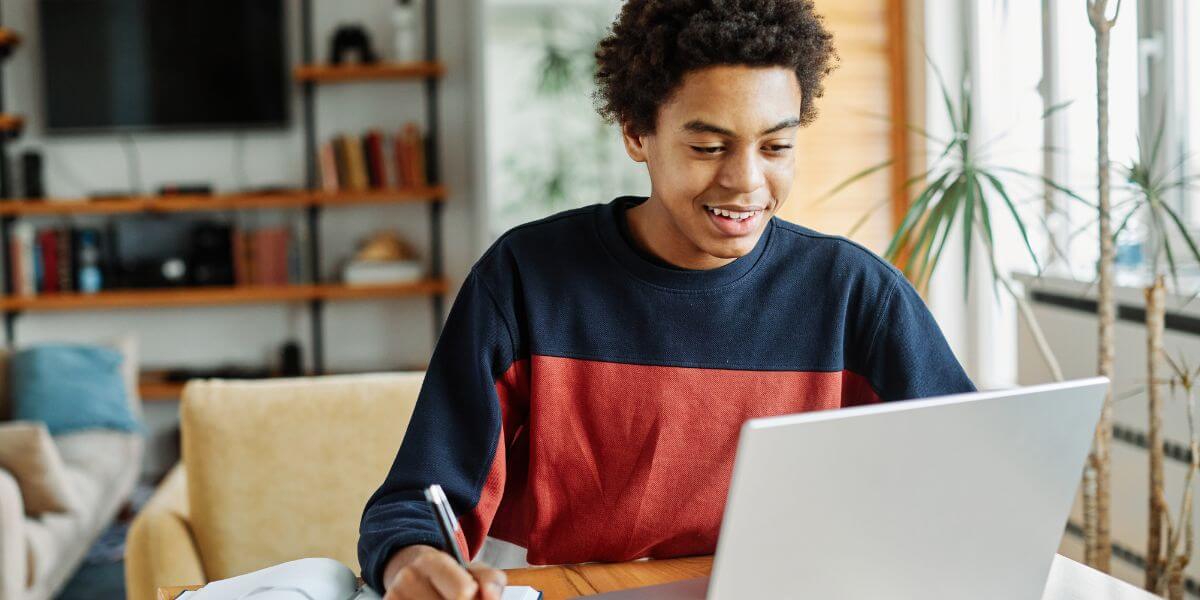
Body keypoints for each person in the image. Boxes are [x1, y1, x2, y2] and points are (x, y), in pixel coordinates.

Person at [359, 1, 975, 598]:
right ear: (636, 133)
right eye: (708, 147)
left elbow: (978, 477)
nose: (747, 181)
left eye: (776, 147)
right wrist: (414, 562)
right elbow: (417, 502)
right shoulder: (524, 279)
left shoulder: (855, 294)